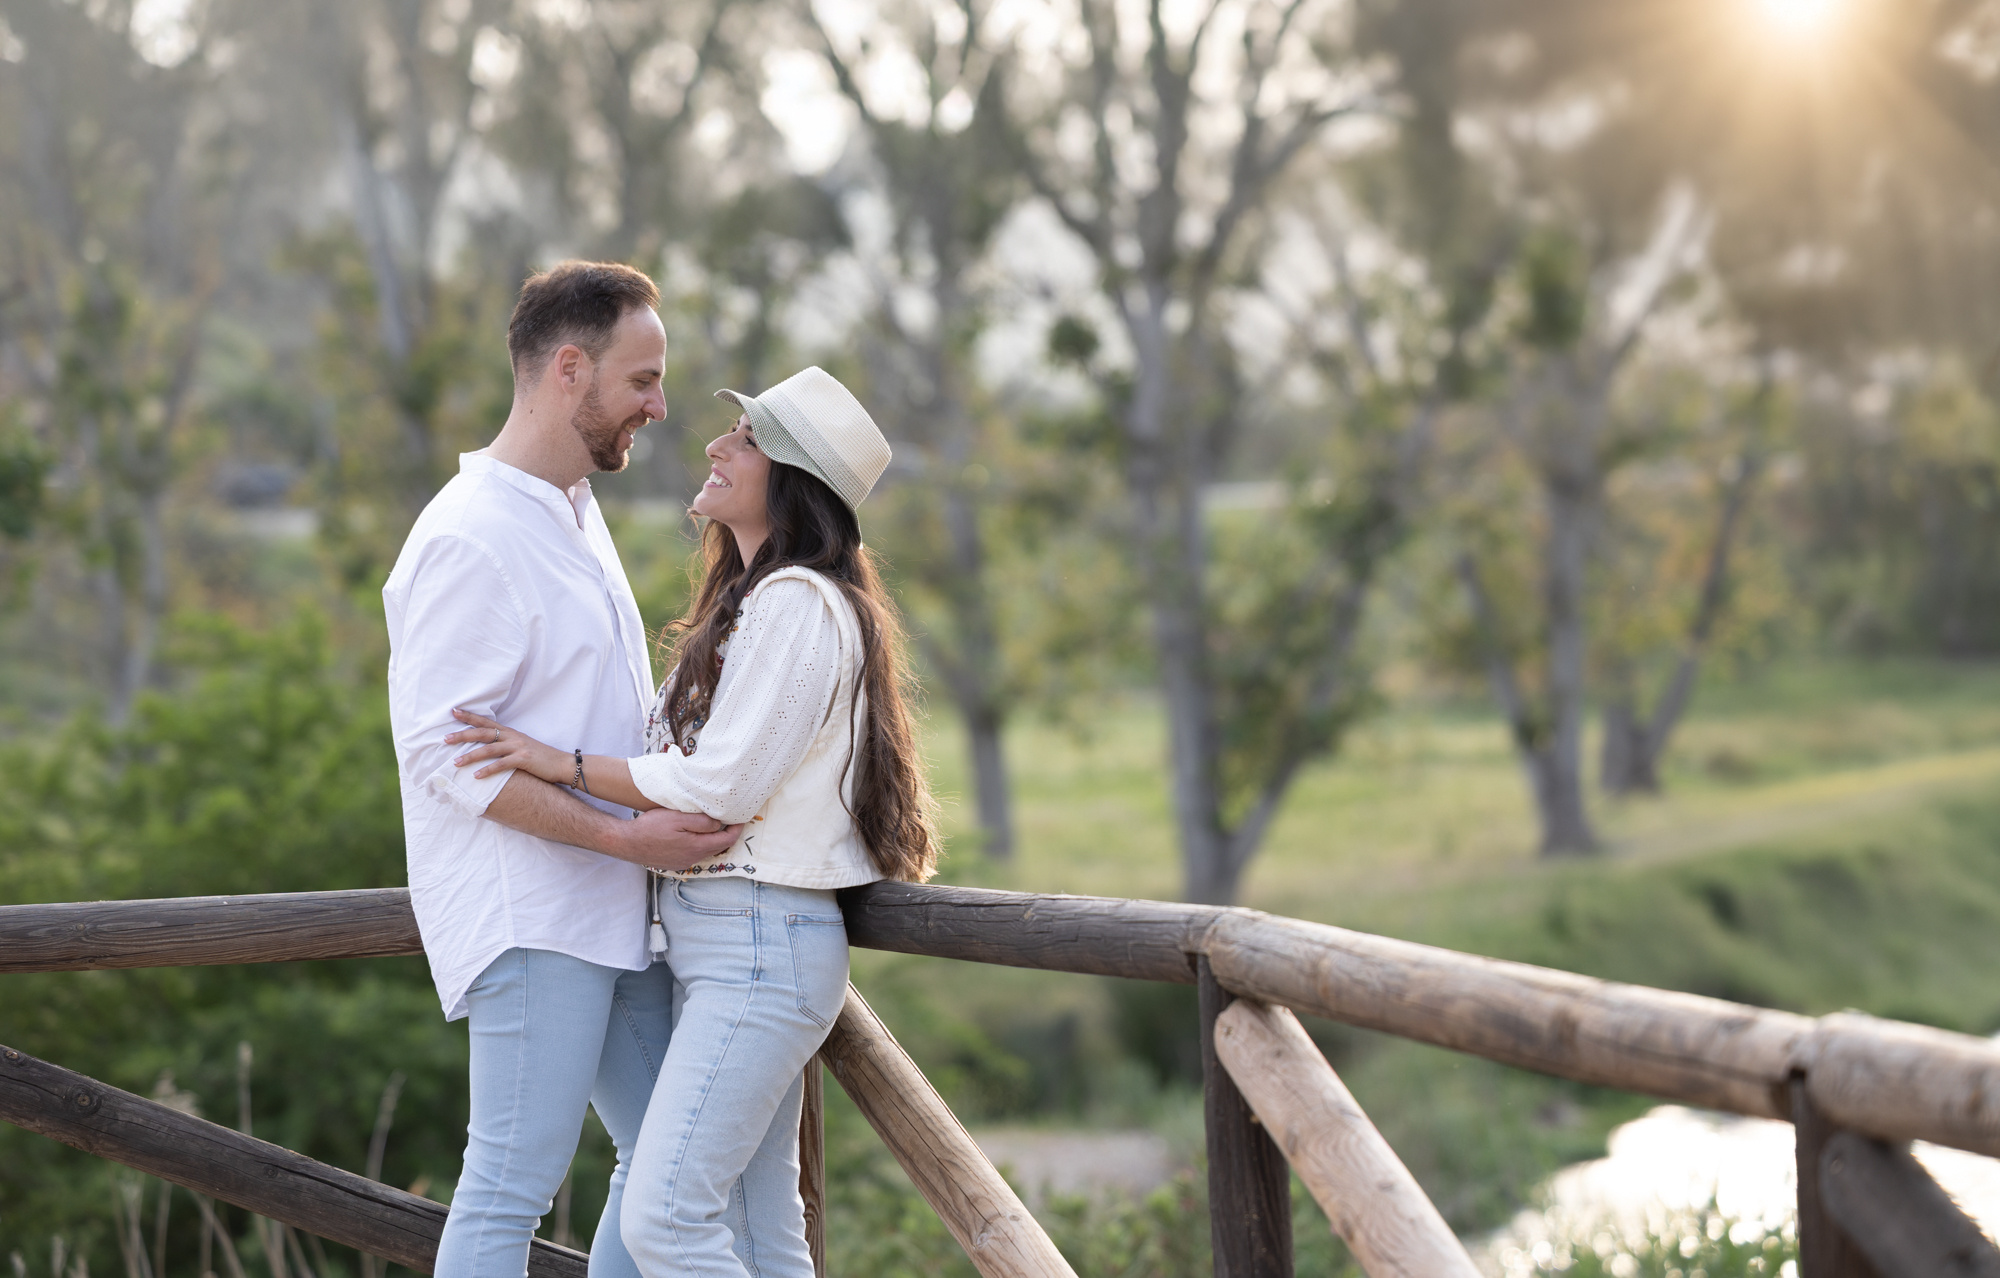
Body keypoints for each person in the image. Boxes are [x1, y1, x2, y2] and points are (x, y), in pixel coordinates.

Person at [445, 365, 940, 1278]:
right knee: (757, 1230)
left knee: (666, 1218)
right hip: (728, 944)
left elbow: (719, 784)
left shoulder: (798, 602)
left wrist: (559, 763)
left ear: (793, 485)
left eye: (747, 441)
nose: (716, 446)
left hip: (761, 943)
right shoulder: (751, 605)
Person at [383, 260, 742, 1278]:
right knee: (507, 1184)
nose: (659, 406)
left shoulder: (567, 509)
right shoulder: (469, 537)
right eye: (642, 380)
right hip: (533, 914)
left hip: (613, 907)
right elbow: (444, 758)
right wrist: (626, 834)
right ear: (569, 370)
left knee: (666, 1166)